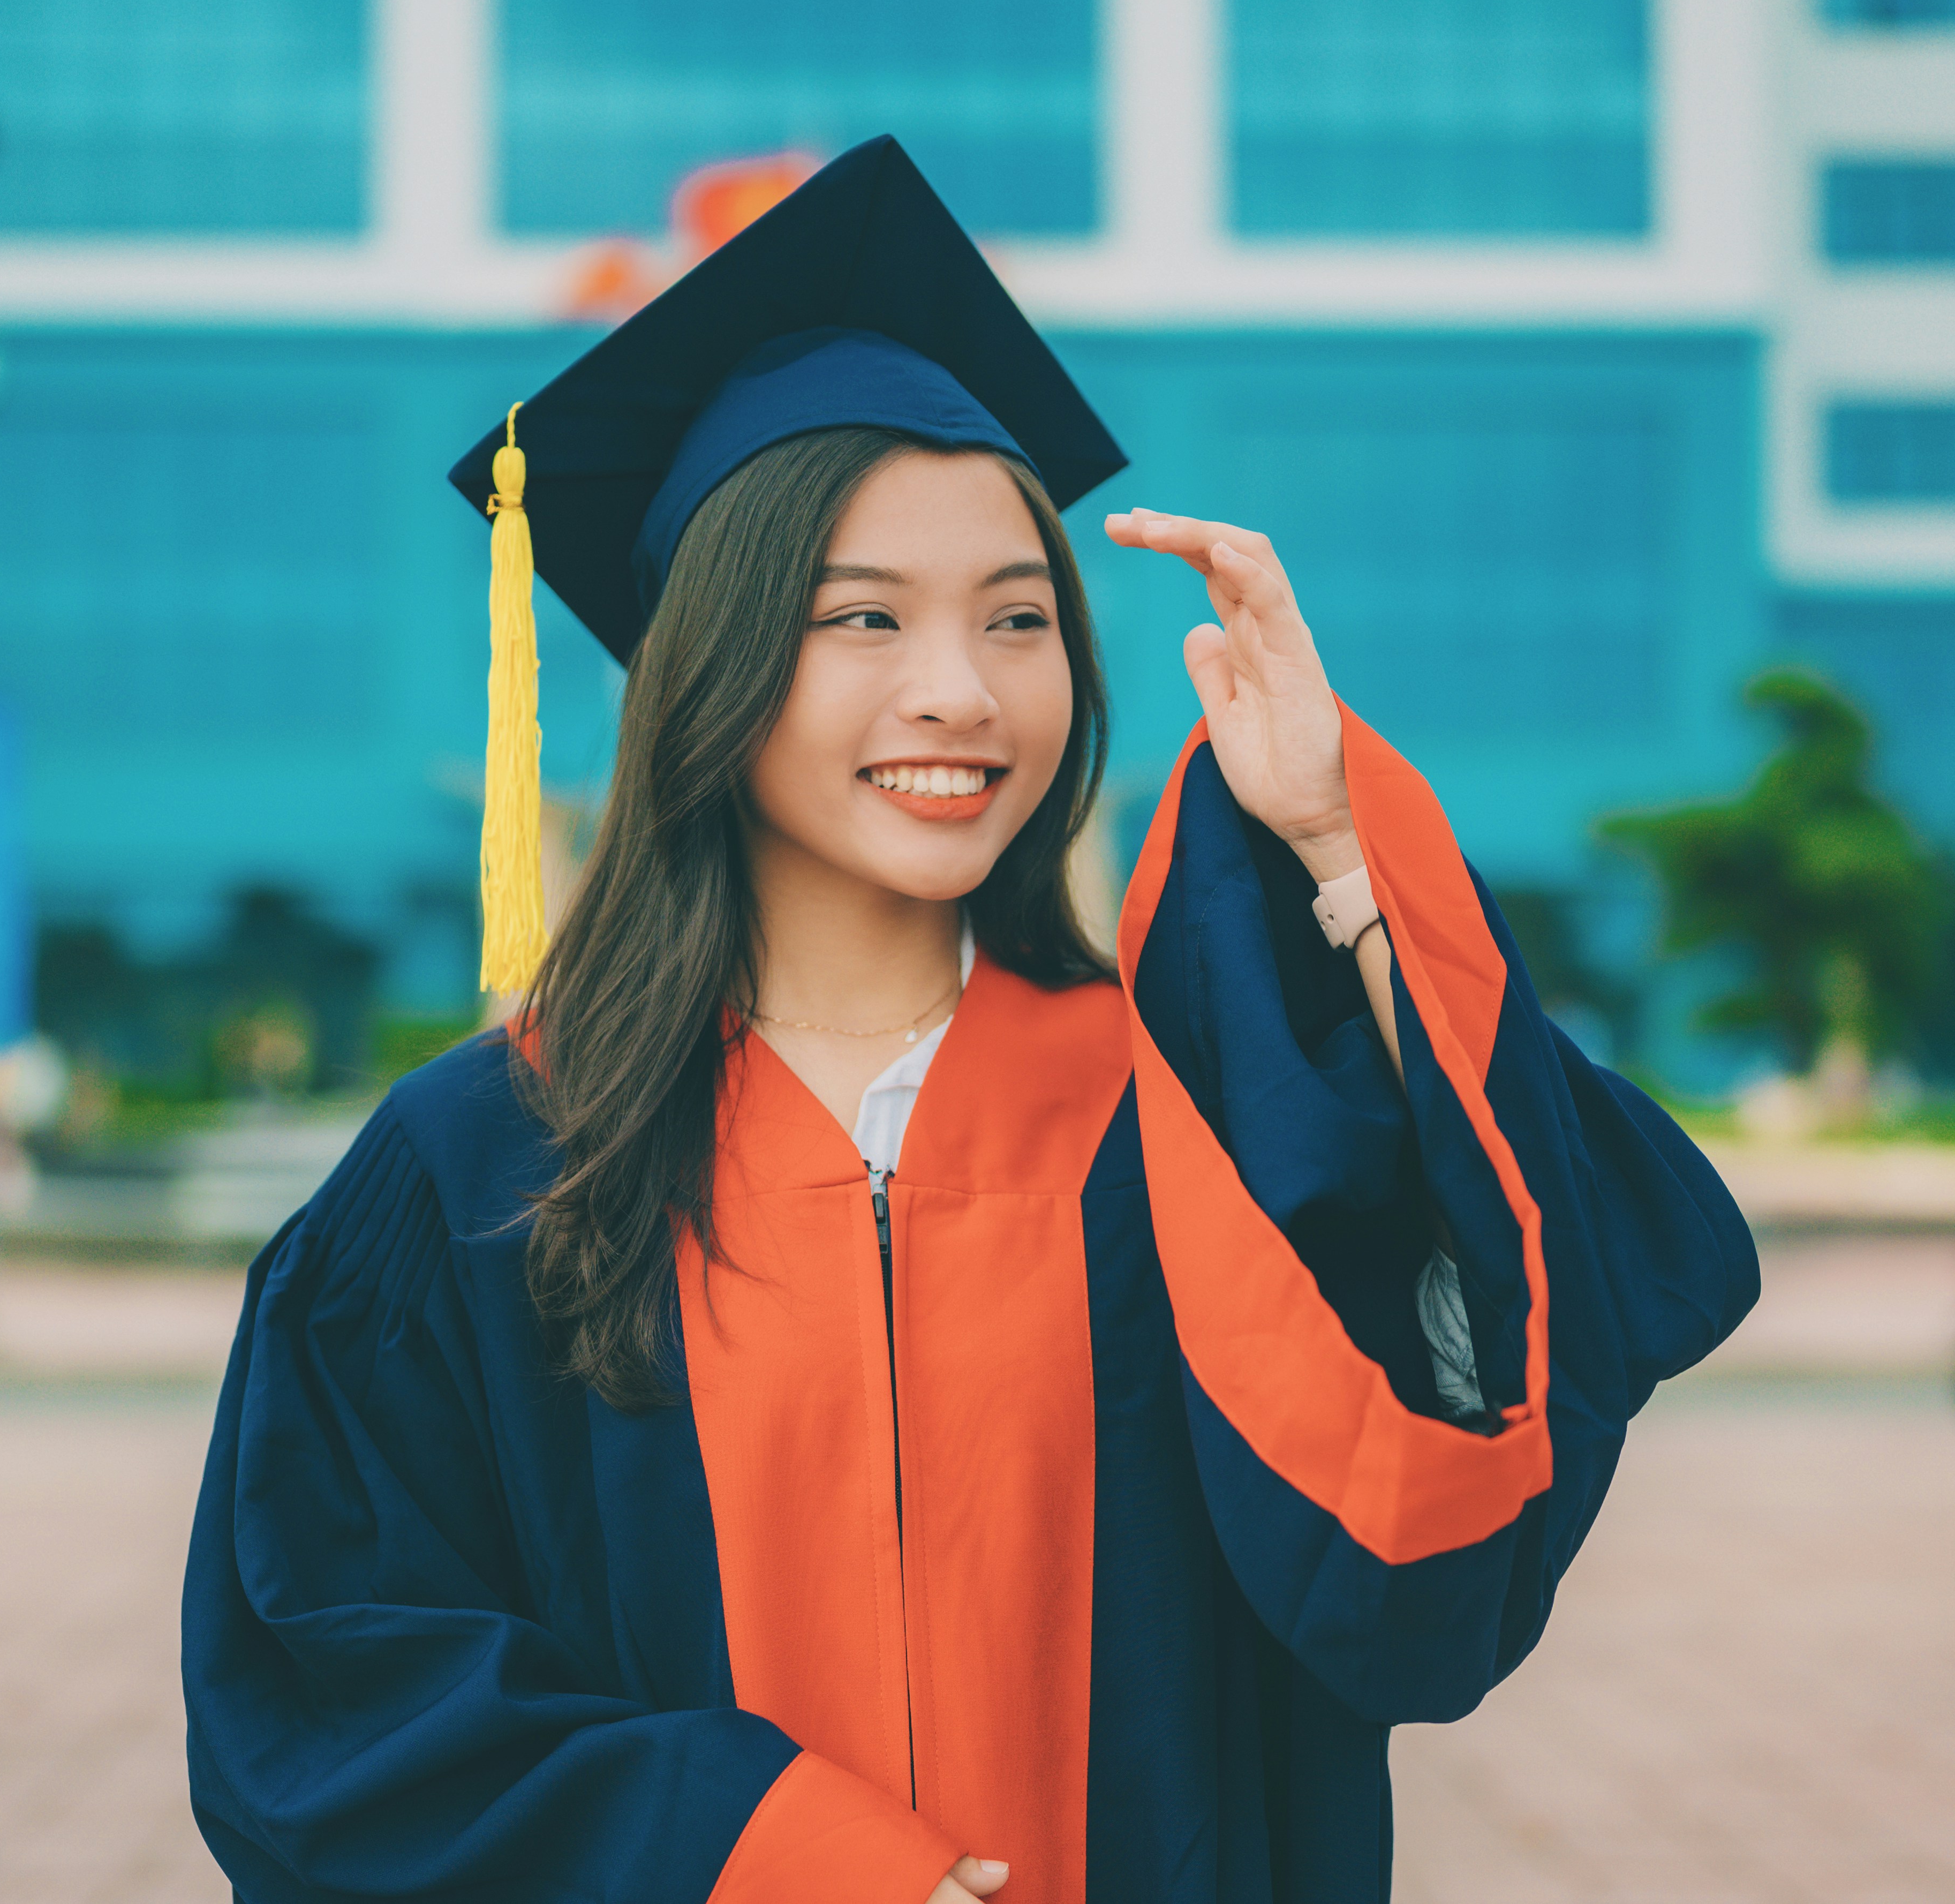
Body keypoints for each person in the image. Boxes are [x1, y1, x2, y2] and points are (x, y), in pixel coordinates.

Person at [183, 139, 1758, 1904]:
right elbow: (328, 1697)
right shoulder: (487, 1163)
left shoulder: (1174, 1124)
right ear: (709, 669)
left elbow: (1488, 1451)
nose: (962, 689)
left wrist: (1333, 836)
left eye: (1020, 619)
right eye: (863, 617)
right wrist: (777, 1852)